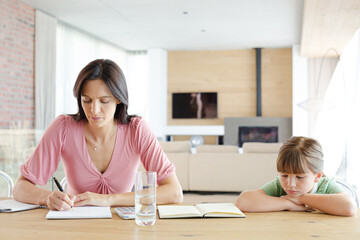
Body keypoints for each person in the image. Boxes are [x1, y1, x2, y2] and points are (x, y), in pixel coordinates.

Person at [13, 59, 183, 211]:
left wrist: (107, 200)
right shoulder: (63, 127)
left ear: (118, 99)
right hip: (75, 226)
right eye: (86, 100)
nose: (94, 110)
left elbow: (174, 192)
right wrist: (46, 198)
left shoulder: (137, 129)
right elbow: (20, 186)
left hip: (121, 227)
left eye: (104, 101)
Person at [235, 136, 357, 216]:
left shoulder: (327, 185)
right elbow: (243, 202)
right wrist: (289, 204)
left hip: (350, 190)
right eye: (284, 175)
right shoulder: (279, 185)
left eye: (299, 177)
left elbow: (349, 207)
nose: (290, 184)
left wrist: (301, 199)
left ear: (317, 176)